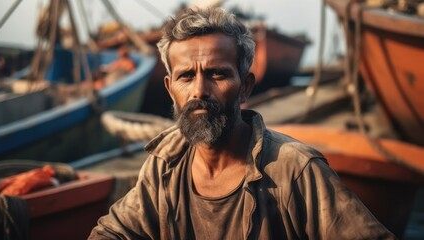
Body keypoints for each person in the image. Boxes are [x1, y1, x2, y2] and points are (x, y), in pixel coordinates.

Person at [89, 7, 396, 239]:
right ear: (171, 90)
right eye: (186, 76)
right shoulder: (164, 167)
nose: (199, 90)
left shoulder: (295, 169)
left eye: (217, 74)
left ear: (246, 86)